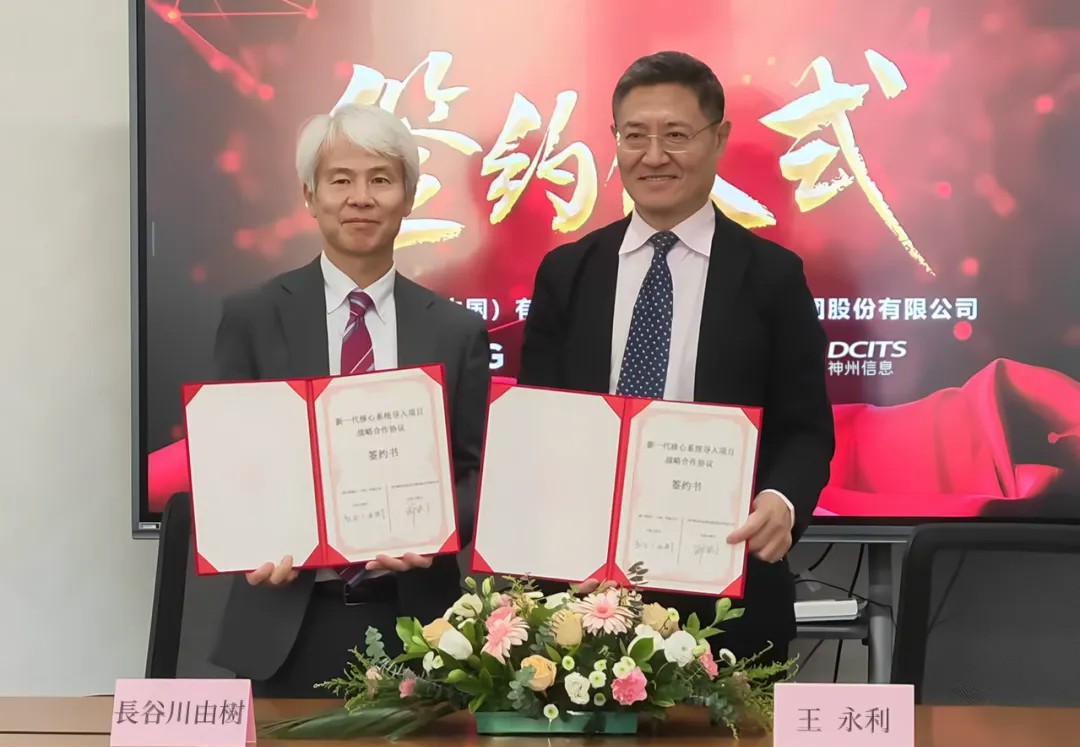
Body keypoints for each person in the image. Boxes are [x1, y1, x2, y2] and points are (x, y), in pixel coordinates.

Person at [518, 51, 834, 666]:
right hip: (581, 597)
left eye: (677, 135)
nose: (654, 155)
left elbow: (805, 429)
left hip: (727, 593)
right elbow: (536, 427)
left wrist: (783, 500)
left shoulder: (773, 278)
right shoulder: (567, 273)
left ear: (719, 139)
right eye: (635, 136)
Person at [208, 103, 491, 697]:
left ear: (408, 197)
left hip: (420, 624)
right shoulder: (253, 317)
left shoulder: (456, 331)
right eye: (340, 180)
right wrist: (250, 539)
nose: (360, 198)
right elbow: (230, 467)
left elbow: (474, 472)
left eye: (381, 180)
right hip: (285, 621)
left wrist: (437, 529)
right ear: (310, 196)